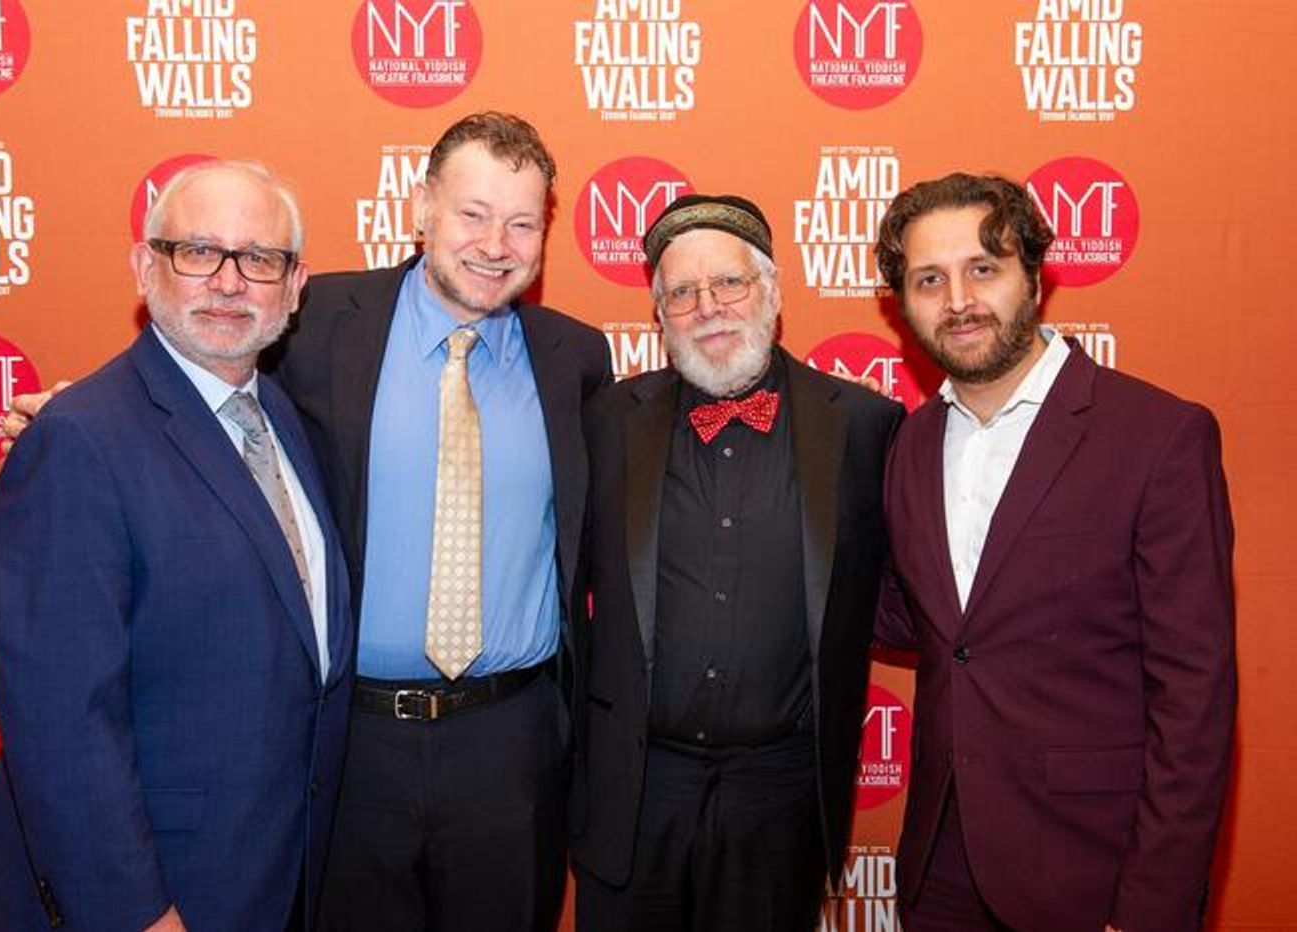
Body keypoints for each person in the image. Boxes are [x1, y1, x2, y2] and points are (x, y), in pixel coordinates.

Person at [0, 161, 354, 931]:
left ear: (295, 284)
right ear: (145, 266)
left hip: (273, 875)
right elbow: (62, 721)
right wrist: (133, 912)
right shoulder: (79, 439)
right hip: (150, 895)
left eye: (260, 258)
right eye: (198, 251)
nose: (230, 281)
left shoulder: (288, 422)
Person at [266, 112, 611, 932]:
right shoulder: (315, 323)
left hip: (512, 742)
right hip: (352, 741)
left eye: (522, 223)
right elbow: (209, 380)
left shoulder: (577, 359)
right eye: (473, 213)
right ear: (422, 207)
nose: (497, 243)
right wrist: (94, 413)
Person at [873, 172, 1236, 932]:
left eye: (983, 268)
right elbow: (920, 620)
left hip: (1090, 869)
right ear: (900, 304)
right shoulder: (909, 445)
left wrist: (1151, 908)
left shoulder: (1157, 437)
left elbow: (1195, 702)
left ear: (1033, 274)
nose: (959, 301)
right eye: (928, 280)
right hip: (939, 867)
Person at [572, 194, 903, 932]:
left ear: (773, 295)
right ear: (659, 316)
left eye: (729, 283)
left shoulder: (863, 424)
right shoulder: (604, 423)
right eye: (681, 293)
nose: (708, 307)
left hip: (780, 791)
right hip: (636, 785)